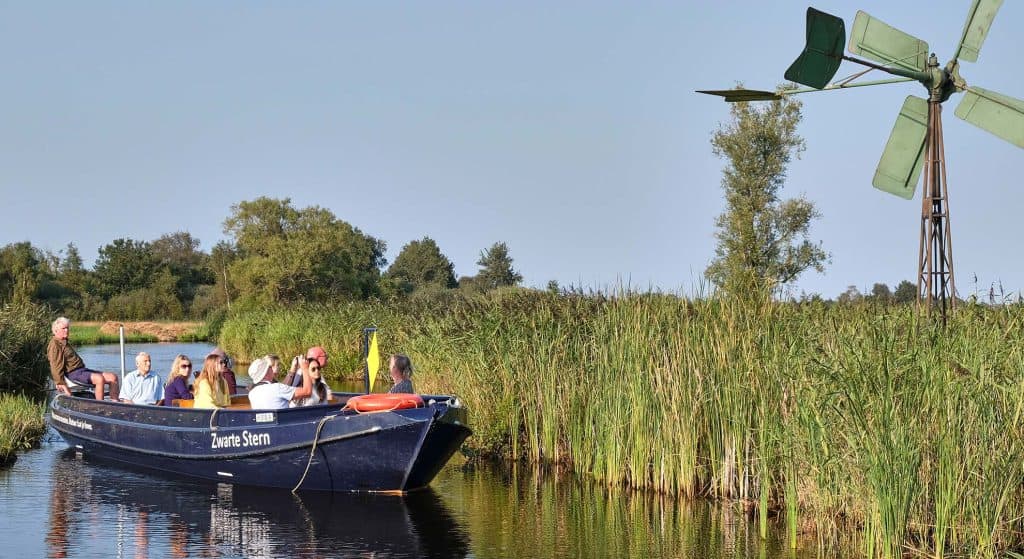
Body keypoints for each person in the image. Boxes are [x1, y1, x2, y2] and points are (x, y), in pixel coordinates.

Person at [46, 316, 120, 401]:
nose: (66, 330)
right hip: (73, 373)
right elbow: (55, 365)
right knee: (99, 379)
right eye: (63, 328)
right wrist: (60, 382)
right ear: (56, 330)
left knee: (113, 377)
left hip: (82, 370)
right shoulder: (55, 345)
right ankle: (100, 405)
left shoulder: (64, 341)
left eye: (67, 328)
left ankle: (115, 403)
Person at [247, 354, 313, 410]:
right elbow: (307, 392)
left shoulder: (252, 393)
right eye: (269, 367)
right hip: (285, 420)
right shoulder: (277, 388)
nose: (271, 369)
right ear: (266, 372)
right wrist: (305, 368)